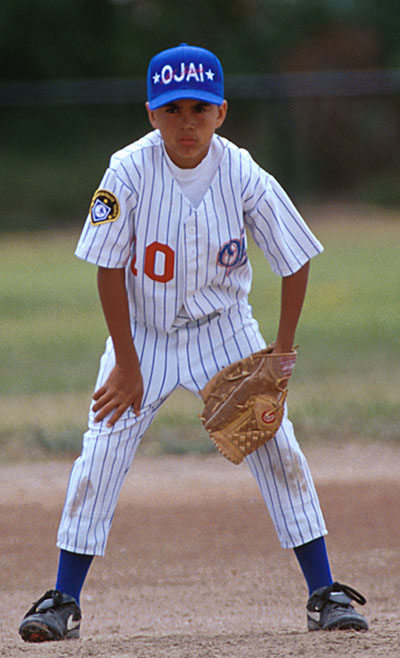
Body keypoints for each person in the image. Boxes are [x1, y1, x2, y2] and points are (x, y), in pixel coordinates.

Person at [18, 43, 368, 642]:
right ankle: (62, 600)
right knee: (100, 455)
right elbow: (107, 267)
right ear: (151, 114)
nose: (187, 123)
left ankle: (324, 591)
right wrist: (126, 363)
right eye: (172, 109)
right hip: (142, 336)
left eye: (200, 109)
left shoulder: (242, 172)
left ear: (221, 112)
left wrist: (280, 354)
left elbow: (295, 258)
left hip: (224, 330)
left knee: (277, 447)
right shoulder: (128, 170)